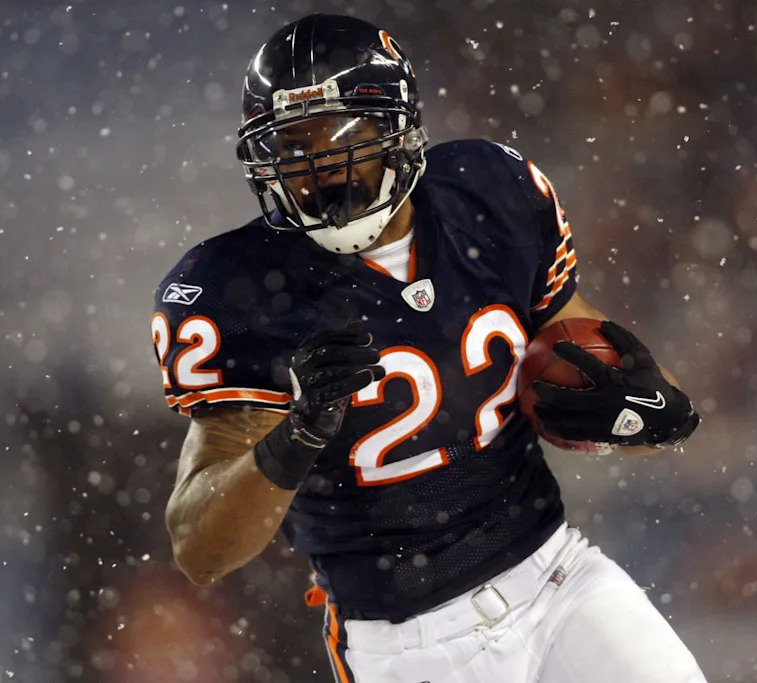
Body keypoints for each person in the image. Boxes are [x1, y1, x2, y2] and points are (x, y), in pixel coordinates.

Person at [152, 13, 706, 683]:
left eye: (341, 137)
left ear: (400, 127)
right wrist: (297, 435)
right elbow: (201, 549)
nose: (318, 169)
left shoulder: (489, 193)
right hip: (406, 641)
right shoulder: (236, 289)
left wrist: (659, 413)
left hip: (558, 578)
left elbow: (604, 367)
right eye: (293, 146)